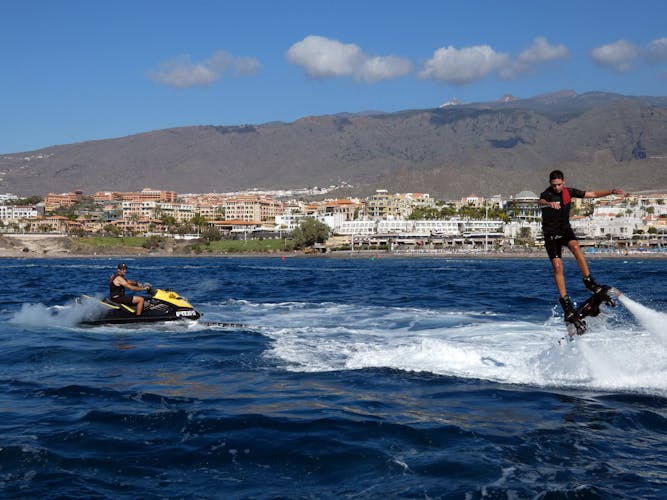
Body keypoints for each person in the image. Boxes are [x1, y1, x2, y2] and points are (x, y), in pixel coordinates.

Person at [538, 170, 625, 322]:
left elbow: (591, 195)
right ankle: (566, 303)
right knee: (558, 267)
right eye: (554, 185)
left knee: (576, 247)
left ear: (564, 182)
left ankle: (589, 282)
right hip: (551, 236)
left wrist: (611, 191)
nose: (556, 187)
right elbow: (540, 202)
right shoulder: (546, 194)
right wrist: (549, 203)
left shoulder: (569, 192)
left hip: (565, 231)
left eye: (559, 184)